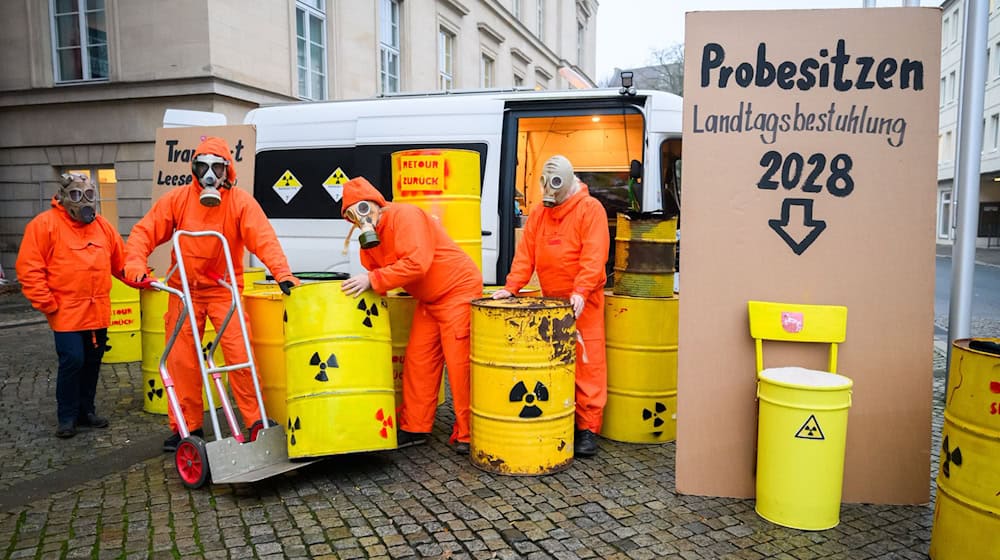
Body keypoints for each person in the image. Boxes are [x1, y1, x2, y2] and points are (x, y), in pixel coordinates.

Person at [123, 136, 299, 452]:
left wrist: (282, 273)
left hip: (223, 291)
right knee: (181, 363)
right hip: (183, 291)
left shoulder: (240, 202)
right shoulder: (177, 200)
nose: (209, 175)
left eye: (215, 168)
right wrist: (135, 264)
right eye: (202, 167)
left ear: (226, 171)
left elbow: (264, 239)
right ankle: (185, 428)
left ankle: (256, 421)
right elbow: (144, 233)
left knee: (240, 355)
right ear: (193, 169)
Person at [339, 176, 482, 455]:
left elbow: (416, 264)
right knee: (418, 363)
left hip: (458, 291)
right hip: (429, 299)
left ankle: (469, 432)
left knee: (459, 366)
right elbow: (374, 268)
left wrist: (374, 279)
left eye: (363, 210)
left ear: (377, 204)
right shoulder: (372, 238)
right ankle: (415, 427)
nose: (361, 219)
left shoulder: (406, 215)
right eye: (352, 215)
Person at [492, 155, 610, 457]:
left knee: (587, 364)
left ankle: (588, 429)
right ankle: (560, 416)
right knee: (555, 365)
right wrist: (510, 288)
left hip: (585, 303)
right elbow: (525, 255)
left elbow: (594, 257)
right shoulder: (540, 214)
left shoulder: (590, 210)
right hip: (550, 304)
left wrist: (581, 291)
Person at [16, 173, 126, 438]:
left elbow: (120, 262)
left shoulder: (102, 227)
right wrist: (46, 302)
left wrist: (142, 278)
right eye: (77, 195)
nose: (84, 201)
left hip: (97, 309)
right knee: (73, 360)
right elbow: (29, 268)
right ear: (64, 198)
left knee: (92, 361)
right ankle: (66, 416)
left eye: (88, 195)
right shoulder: (44, 225)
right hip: (65, 311)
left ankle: (85, 411)